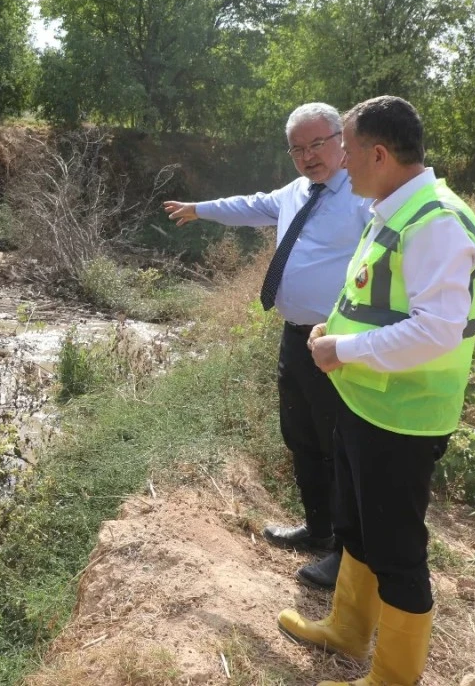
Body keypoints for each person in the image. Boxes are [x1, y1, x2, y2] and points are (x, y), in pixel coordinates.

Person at [278, 95, 475, 686]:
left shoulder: (436, 220)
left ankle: (393, 676)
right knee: (357, 527)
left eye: (347, 150)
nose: (340, 163)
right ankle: (346, 632)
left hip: (404, 417)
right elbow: (374, 303)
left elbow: (437, 331)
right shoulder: (391, 209)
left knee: (397, 552)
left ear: (377, 152)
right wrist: (332, 330)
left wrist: (339, 351)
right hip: (364, 402)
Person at [163, 103, 371, 590]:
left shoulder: (364, 196)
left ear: (342, 140)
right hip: (294, 338)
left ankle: (347, 554)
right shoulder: (295, 191)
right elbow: (250, 204)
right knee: (301, 437)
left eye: (317, 144)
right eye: (297, 148)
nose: (307, 156)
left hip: (336, 346)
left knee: (339, 447)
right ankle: (318, 529)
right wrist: (199, 210)